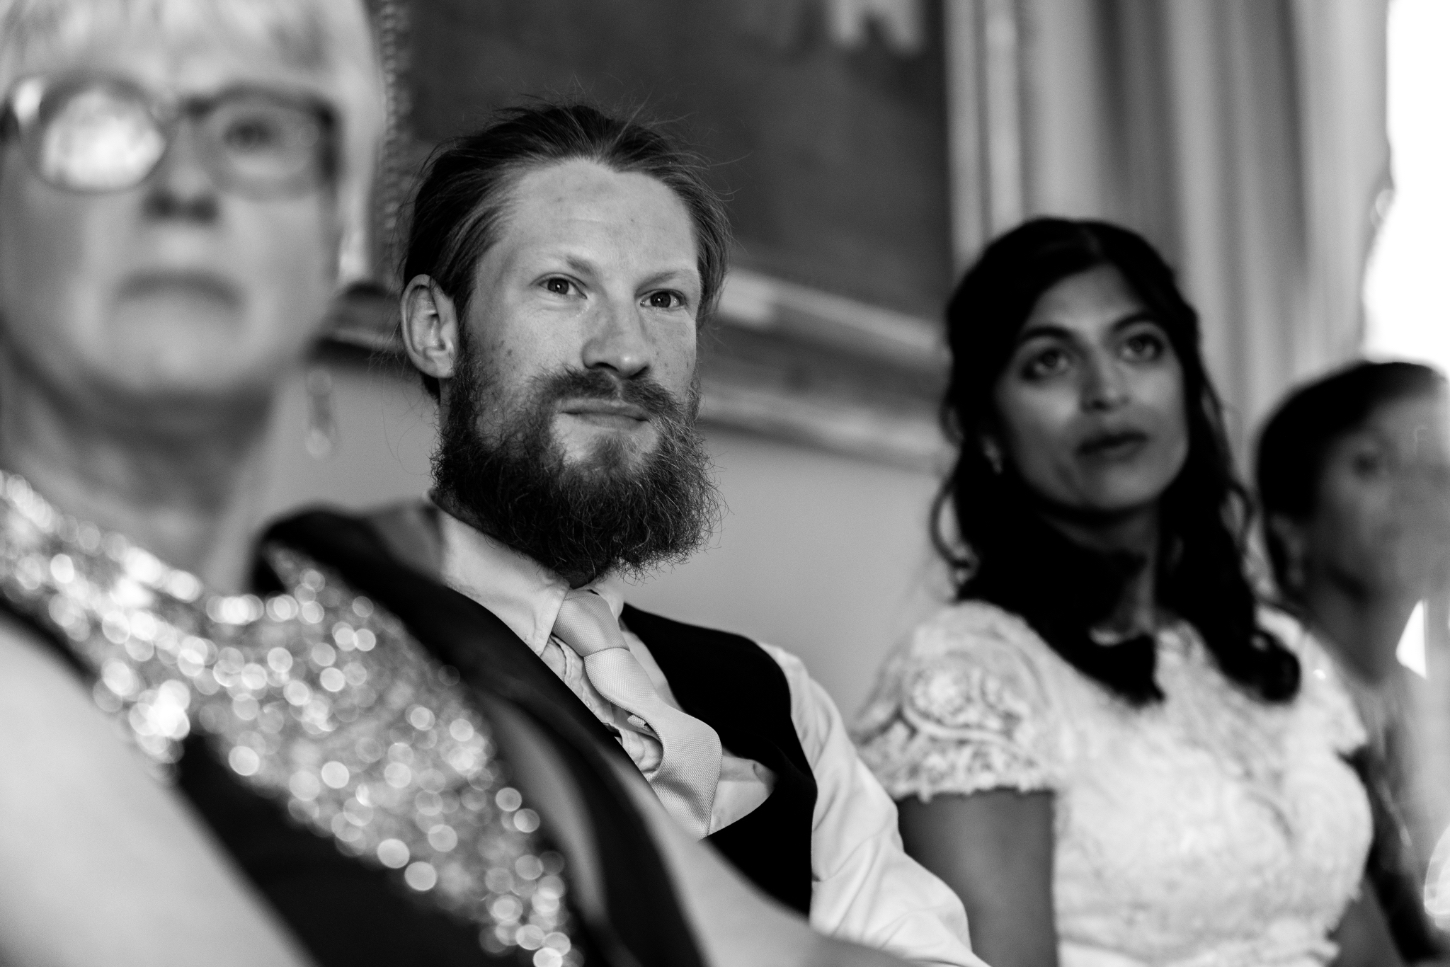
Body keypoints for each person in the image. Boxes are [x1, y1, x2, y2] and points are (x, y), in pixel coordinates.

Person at [0, 4, 911, 967]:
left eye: (256, 134)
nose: (186, 185)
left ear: (329, 240)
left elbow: (788, 955)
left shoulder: (402, 621)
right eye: (95, 124)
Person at [373, 102, 982, 967]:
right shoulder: (345, 654)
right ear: (437, 329)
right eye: (563, 286)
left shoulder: (781, 697)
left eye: (663, 299)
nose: (624, 350)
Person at [853, 217, 1388, 967]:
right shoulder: (969, 682)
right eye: (1048, 362)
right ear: (987, 429)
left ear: (1188, 385)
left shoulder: (1274, 648)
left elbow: (1358, 938)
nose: (1106, 391)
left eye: (1140, 347)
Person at [1257, 360, 1450, 963]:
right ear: (1291, 525)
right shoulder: (1266, 697)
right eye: (1372, 465)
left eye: (1440, 469)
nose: (1419, 495)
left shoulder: (1411, 702)